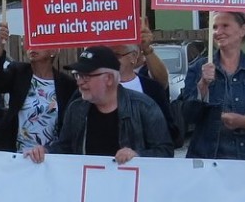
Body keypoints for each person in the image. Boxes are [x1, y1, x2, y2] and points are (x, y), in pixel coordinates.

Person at [28, 47, 175, 164]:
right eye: (77, 75)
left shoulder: (144, 107)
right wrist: (45, 151)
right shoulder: (76, 108)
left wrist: (138, 155)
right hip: (89, 190)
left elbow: (165, 151)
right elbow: (65, 147)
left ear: (109, 79)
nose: (79, 82)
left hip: (131, 192)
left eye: (86, 76)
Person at [182, 13, 245, 160]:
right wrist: (202, 85)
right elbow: (186, 116)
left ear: (242, 30)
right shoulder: (198, 67)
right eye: (214, 27)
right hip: (208, 159)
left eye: (225, 26)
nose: (218, 32)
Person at [0, 25, 73, 154]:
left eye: (39, 43)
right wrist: (0, 44)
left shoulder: (67, 84)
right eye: (30, 42)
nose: (33, 47)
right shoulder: (18, 72)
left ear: (53, 50)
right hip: (17, 154)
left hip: (50, 157)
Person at [117, 41, 176, 137]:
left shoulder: (152, 87)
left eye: (117, 55)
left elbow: (168, 134)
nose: (110, 60)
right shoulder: (99, 88)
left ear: (134, 56)